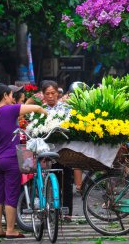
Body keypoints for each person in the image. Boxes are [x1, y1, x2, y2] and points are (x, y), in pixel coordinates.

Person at [0, 84, 47, 238]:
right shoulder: (11, 109)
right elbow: (36, 108)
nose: (13, 99)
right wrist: (45, 112)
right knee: (11, 194)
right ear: (5, 96)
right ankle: (11, 230)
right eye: (12, 95)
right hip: (10, 158)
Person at [40, 80, 75, 214]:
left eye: (52, 93)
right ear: (43, 95)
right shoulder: (40, 110)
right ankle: (53, 210)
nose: (50, 96)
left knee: (66, 182)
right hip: (48, 151)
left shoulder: (66, 109)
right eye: (47, 93)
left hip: (65, 150)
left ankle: (67, 213)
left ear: (57, 93)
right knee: (50, 181)